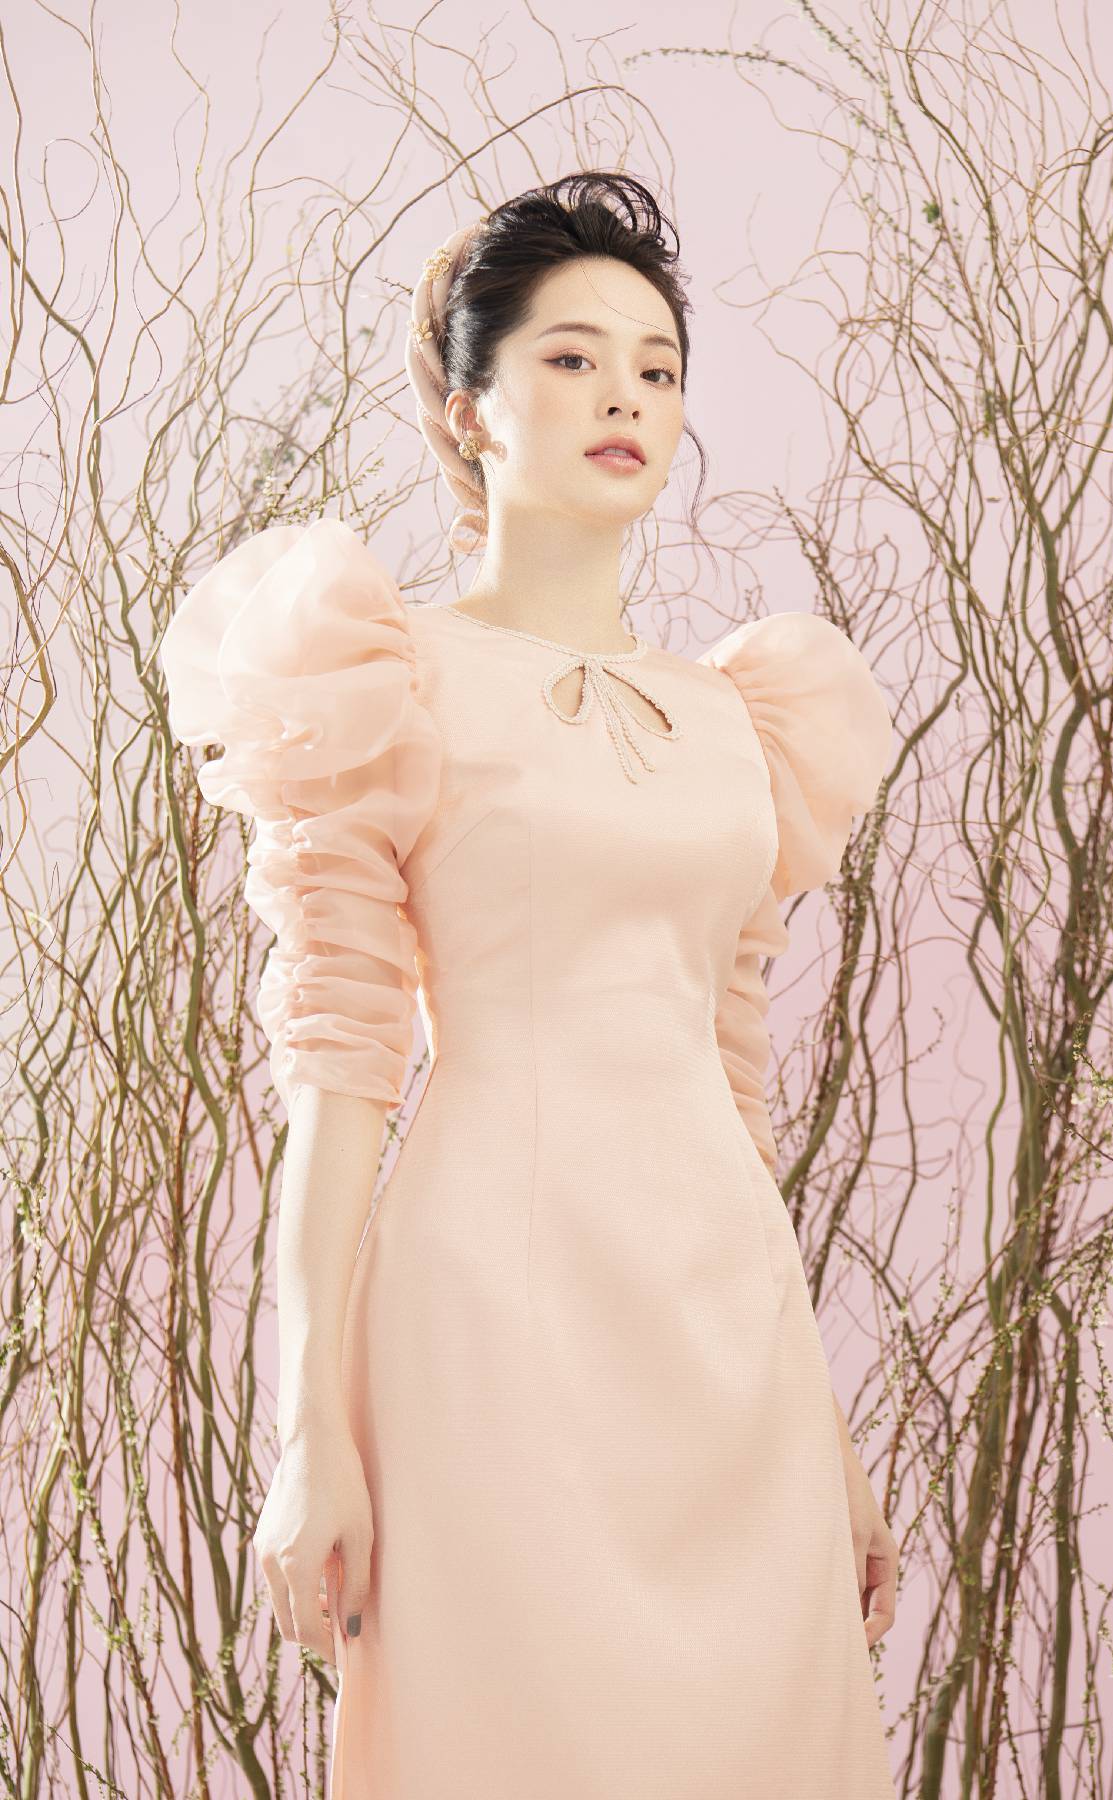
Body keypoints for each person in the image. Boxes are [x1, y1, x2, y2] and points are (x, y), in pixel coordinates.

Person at [158, 170, 900, 1797]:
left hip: (726, 1338)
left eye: (656, 366)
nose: (625, 394)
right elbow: (339, 1066)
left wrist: (830, 1438)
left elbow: (732, 1086)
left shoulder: (746, 717)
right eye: (571, 358)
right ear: (466, 407)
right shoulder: (383, 676)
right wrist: (309, 1430)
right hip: (489, 1312)